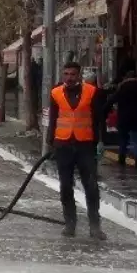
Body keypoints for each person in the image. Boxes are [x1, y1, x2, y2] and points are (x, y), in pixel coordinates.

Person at [48, 61, 108, 240]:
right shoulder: (56, 93)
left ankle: (95, 225)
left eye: (72, 74)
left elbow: (99, 119)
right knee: (65, 186)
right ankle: (70, 223)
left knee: (90, 185)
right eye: (66, 74)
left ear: (79, 75)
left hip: (85, 145)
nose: (69, 78)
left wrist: (101, 142)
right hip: (63, 145)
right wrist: (51, 142)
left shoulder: (91, 92)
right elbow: (53, 119)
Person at [110, 70, 137, 168]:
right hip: (136, 118)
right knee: (136, 139)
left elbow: (113, 99)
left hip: (124, 118)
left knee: (123, 139)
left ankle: (122, 158)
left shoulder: (122, 87)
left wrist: (104, 110)